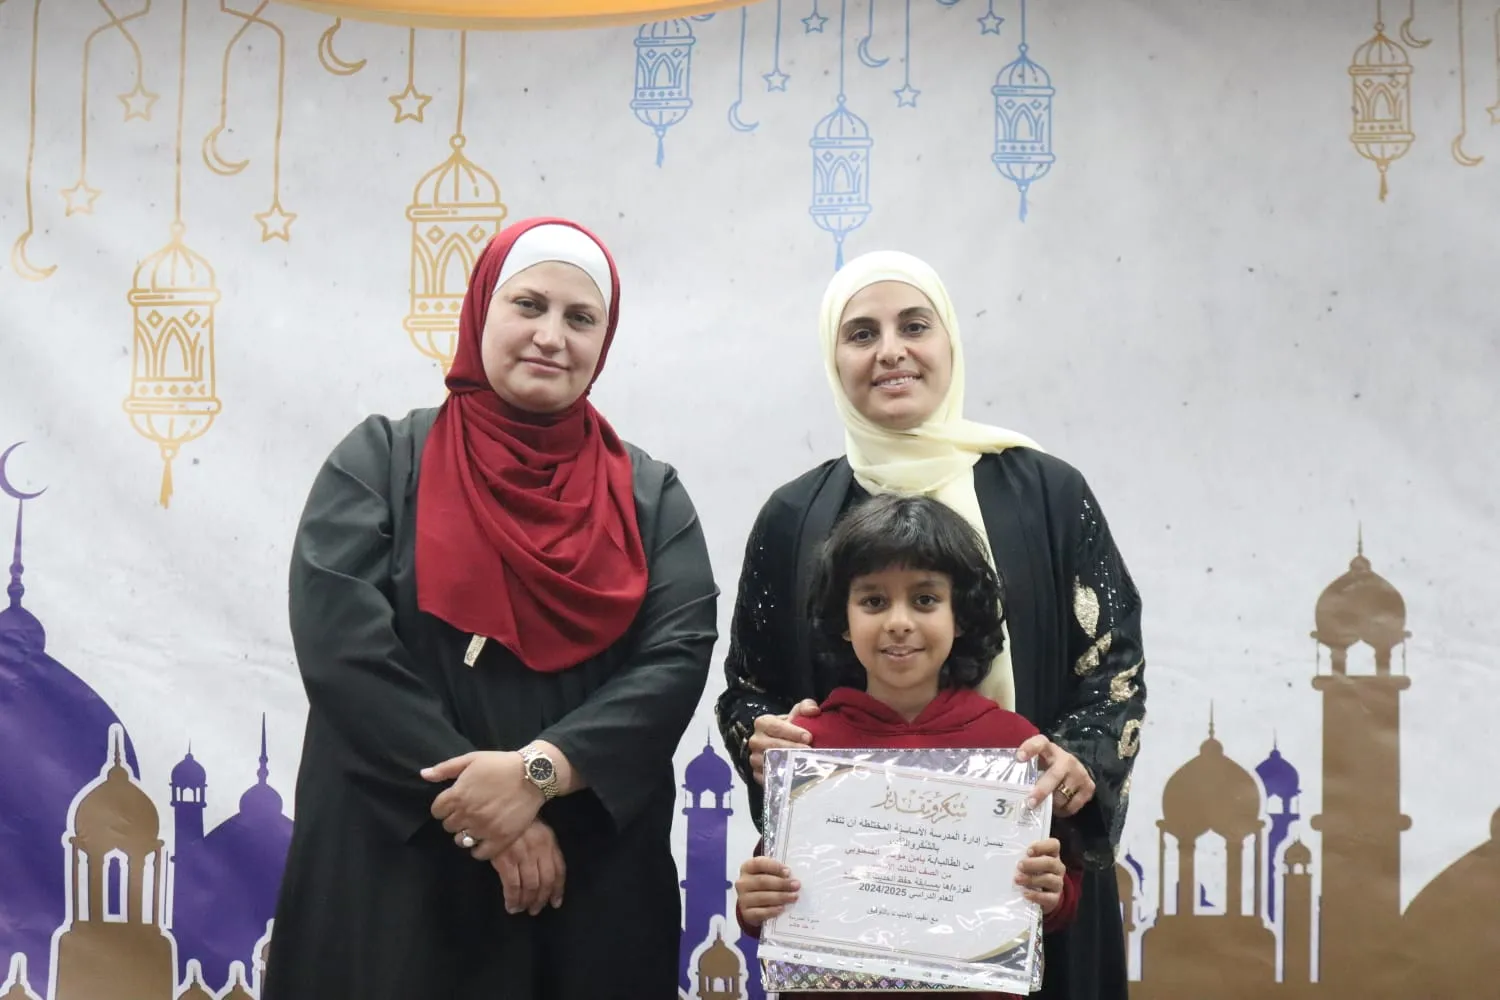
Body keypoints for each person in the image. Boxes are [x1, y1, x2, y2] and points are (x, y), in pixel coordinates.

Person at [264, 218, 718, 1000]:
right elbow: (344, 652)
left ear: (604, 340)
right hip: (397, 867)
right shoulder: (380, 463)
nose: (551, 336)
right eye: (529, 305)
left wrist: (539, 776)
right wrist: (485, 811)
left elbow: (676, 657)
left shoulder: (650, 497)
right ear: (481, 309)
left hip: (584, 877)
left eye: (581, 318)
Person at [715, 250, 1144, 999]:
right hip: (853, 915)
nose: (891, 351)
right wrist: (765, 737)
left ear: (949, 341)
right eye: (861, 333)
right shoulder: (794, 516)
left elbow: (1113, 668)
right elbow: (749, 687)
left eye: (915, 326)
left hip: (1027, 882)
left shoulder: (1045, 493)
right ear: (833, 357)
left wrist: (1076, 767)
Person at [733, 493, 1083, 999]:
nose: (898, 622)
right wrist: (754, 902)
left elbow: (1057, 900)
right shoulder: (809, 746)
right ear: (842, 619)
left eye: (924, 600)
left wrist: (1051, 895)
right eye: (874, 601)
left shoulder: (1015, 748)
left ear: (961, 615)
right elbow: (771, 898)